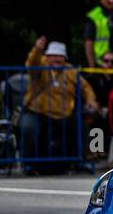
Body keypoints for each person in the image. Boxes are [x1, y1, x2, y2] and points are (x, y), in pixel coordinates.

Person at [21, 38, 97, 170]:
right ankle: (29, 163)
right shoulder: (40, 67)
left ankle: (81, 160)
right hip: (37, 112)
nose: (57, 59)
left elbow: (86, 87)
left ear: (64, 58)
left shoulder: (70, 71)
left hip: (64, 114)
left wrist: (90, 100)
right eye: (53, 56)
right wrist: (37, 49)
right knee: (28, 128)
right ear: (47, 56)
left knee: (82, 126)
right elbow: (31, 64)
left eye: (60, 56)